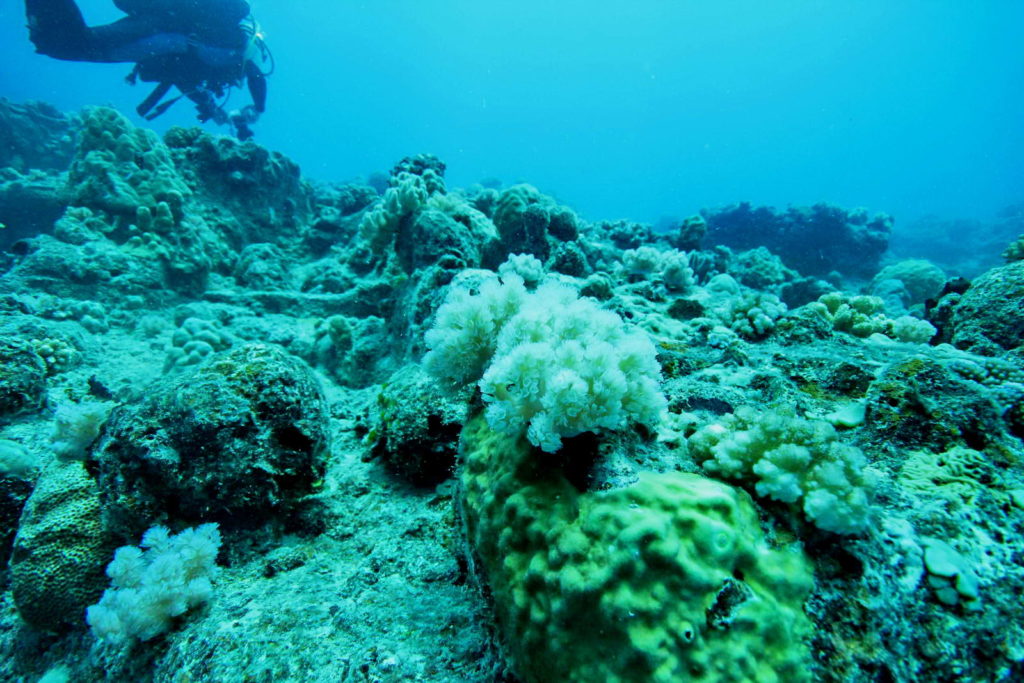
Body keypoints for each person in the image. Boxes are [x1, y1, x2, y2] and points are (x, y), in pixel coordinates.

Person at [24, 0, 271, 140]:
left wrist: (212, 108)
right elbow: (255, 74)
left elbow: (183, 76)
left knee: (66, 44)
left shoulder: (222, 51)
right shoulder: (235, 52)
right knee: (70, 44)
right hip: (161, 32)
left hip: (160, 28)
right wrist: (258, 109)